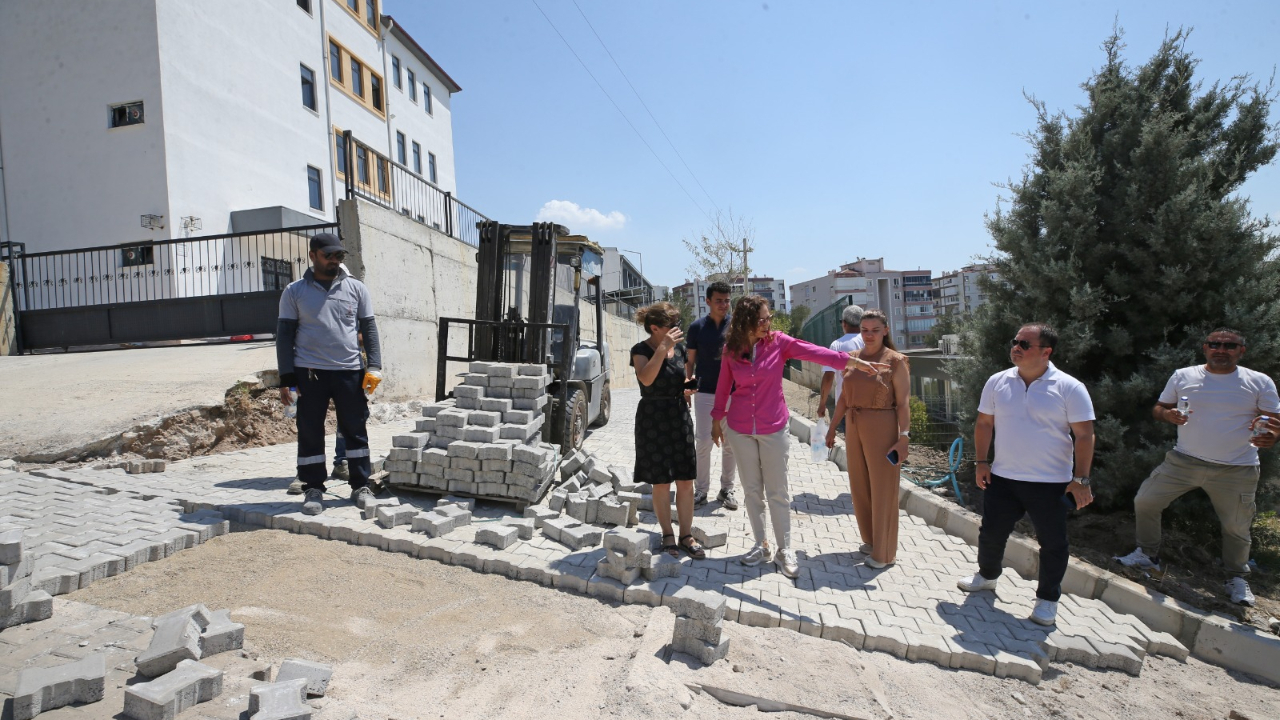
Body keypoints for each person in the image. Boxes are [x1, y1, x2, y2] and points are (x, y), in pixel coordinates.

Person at [711, 295, 884, 578]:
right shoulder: (733, 349)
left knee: (777, 492)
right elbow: (723, 387)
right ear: (745, 322)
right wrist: (716, 420)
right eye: (760, 320)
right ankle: (760, 544)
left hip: (774, 427)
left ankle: (784, 549)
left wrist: (853, 363)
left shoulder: (779, 342)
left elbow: (816, 353)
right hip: (740, 427)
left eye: (769, 318)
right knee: (752, 491)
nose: (767, 324)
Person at [1115, 328, 1280, 606]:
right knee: (1146, 501)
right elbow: (1159, 407)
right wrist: (1167, 414)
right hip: (1184, 460)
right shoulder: (1184, 375)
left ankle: (1236, 579)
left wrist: (1271, 436)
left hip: (1237, 468)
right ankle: (1147, 555)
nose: (1221, 349)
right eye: (1214, 344)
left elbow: (1274, 421)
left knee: (1236, 527)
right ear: (1205, 348)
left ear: (1241, 351)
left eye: (1230, 345)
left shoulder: (1259, 381)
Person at [956, 323, 1095, 626]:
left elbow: (1084, 436)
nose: (1016, 347)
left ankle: (1047, 600)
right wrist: (981, 462)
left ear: (1046, 352)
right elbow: (983, 424)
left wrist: (1081, 480)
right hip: (1003, 478)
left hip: (1051, 483)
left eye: (1024, 344)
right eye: (1015, 341)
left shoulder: (1069, 387)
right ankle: (987, 576)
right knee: (991, 533)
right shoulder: (998, 381)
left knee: (1053, 544)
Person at [277, 233, 383, 516]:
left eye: (339, 256)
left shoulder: (357, 289)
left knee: (355, 430)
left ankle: (360, 485)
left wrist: (374, 366)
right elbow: (284, 336)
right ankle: (313, 488)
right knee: (310, 431)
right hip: (309, 373)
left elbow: (369, 329)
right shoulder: (294, 291)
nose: (335, 261)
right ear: (313, 255)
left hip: (349, 371)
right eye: (329, 256)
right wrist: (286, 378)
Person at [825, 309, 909, 569]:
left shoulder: (896, 361)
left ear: (885, 330)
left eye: (874, 330)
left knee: (883, 487)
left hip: (882, 425)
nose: (869, 335)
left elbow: (904, 403)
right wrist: (832, 428)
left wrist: (904, 436)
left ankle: (884, 554)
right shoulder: (852, 358)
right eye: (864, 330)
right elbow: (843, 396)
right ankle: (872, 540)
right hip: (853, 423)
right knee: (860, 484)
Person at [631, 302, 705, 559]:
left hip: (679, 417)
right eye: (671, 326)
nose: (677, 329)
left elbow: (681, 378)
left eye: (678, 324)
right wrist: (662, 349)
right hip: (653, 420)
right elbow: (647, 379)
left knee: (686, 480)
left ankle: (686, 535)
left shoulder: (681, 349)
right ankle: (667, 535)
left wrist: (688, 385)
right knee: (661, 482)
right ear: (655, 328)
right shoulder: (640, 350)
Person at [686, 281, 738, 510]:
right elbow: (690, 361)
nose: (724, 305)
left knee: (731, 443)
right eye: (719, 300)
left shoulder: (736, 327)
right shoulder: (696, 327)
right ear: (707, 301)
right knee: (704, 442)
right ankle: (701, 491)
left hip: (734, 394)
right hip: (705, 393)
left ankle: (727, 489)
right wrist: (687, 386)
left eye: (727, 300)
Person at [817, 304, 866, 426]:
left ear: (844, 323)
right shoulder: (870, 341)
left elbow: (829, 377)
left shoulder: (837, 345)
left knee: (851, 443)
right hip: (869, 405)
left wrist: (822, 404)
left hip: (845, 405)